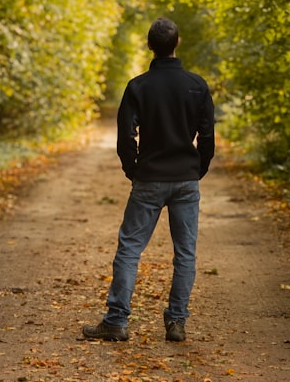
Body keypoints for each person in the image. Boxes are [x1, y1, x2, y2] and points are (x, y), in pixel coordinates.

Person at [83, 17, 215, 342]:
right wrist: (197, 168)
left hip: (150, 179)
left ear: (149, 46)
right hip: (185, 179)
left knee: (129, 248)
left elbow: (125, 136)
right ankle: (176, 323)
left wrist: (133, 169)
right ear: (178, 43)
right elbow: (208, 136)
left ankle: (116, 321)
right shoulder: (197, 85)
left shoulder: (138, 86)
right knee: (185, 253)